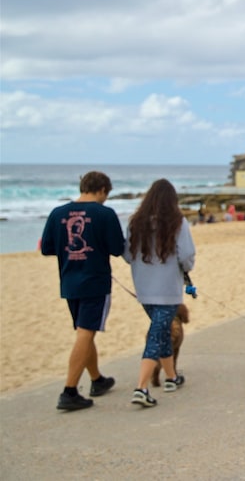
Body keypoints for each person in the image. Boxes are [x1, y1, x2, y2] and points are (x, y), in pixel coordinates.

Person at [41, 170, 126, 411]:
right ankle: (69, 391)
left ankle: (97, 379)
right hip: (95, 281)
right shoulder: (105, 213)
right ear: (102, 190)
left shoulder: (58, 213)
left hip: (69, 280)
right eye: (106, 195)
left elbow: (47, 248)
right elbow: (117, 247)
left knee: (83, 331)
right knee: (86, 333)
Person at [123, 178, 196, 408]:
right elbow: (186, 255)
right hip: (168, 290)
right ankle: (141, 387)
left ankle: (171, 378)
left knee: (161, 332)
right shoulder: (178, 223)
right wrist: (185, 270)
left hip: (144, 289)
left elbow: (127, 255)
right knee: (156, 335)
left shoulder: (135, 223)